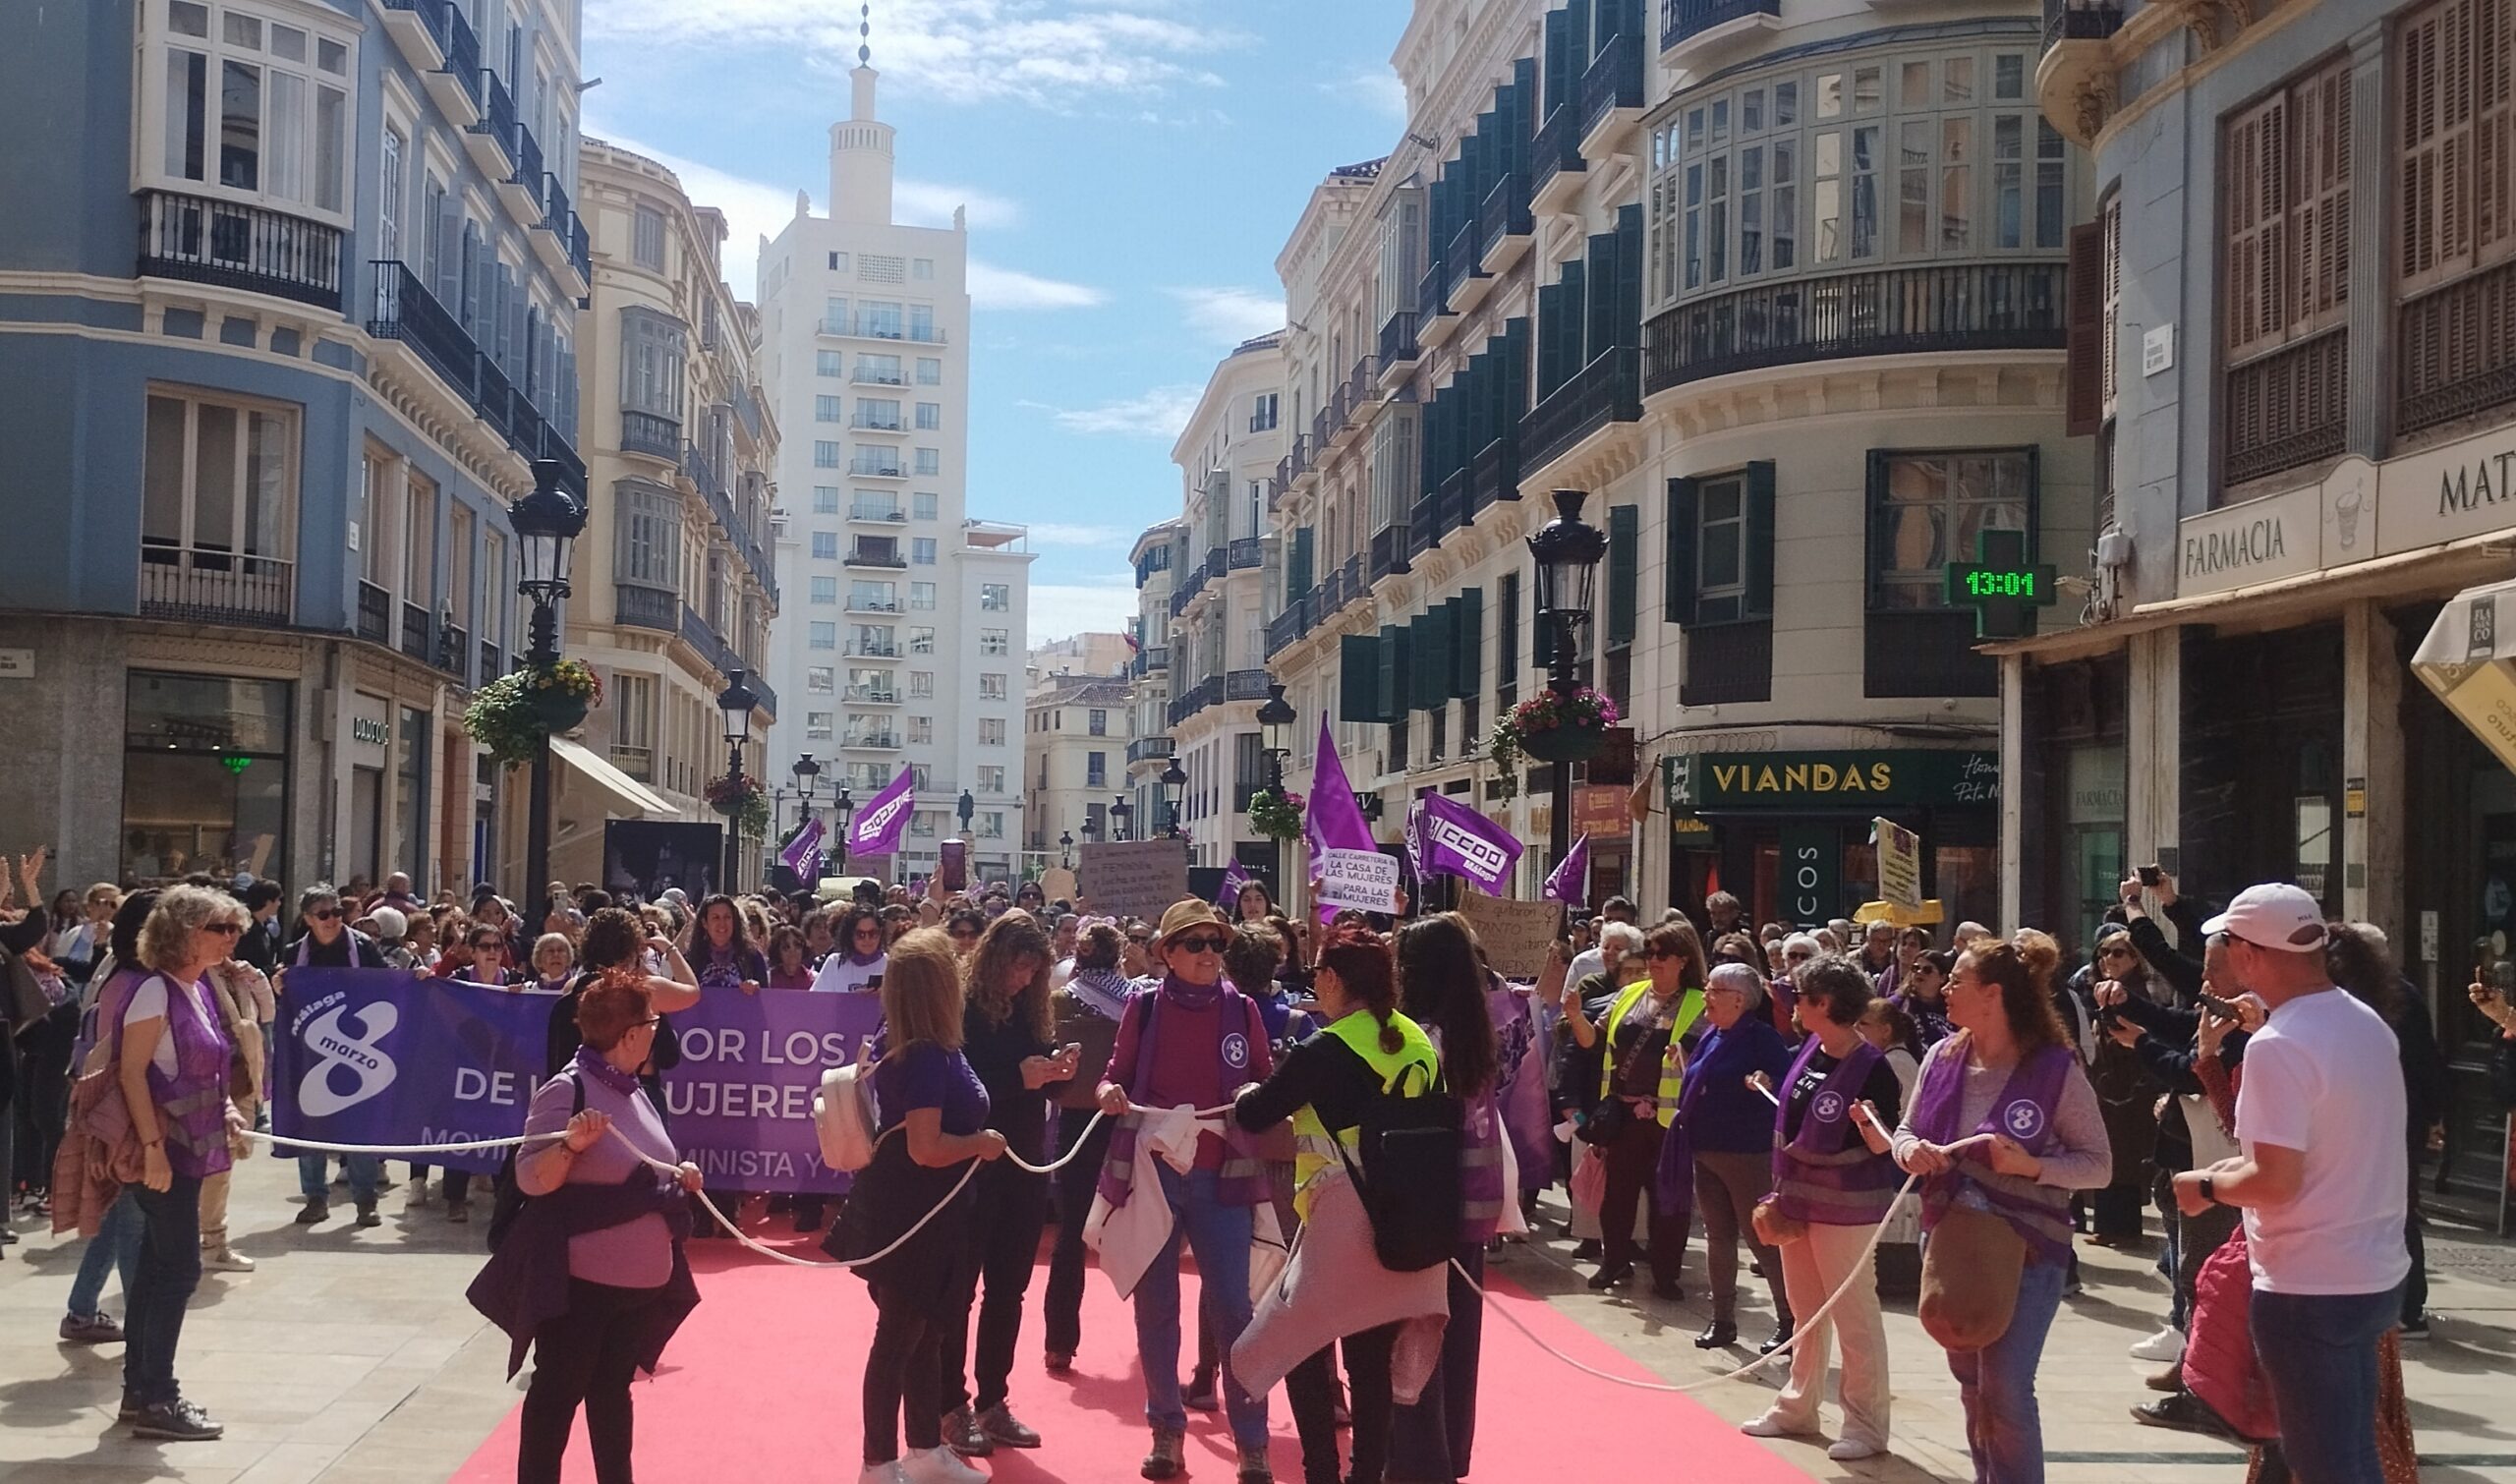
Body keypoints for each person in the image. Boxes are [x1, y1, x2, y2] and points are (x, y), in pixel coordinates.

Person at [2171, 885, 2409, 1484]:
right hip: (2372, 1274)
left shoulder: (2280, 1044)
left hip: (2309, 1284)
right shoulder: (2367, 1024)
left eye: (2229, 944)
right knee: (2352, 1456)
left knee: (2326, 1464)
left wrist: (2206, 1187)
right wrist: (2225, 1175)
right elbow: (2327, 1153)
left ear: (2249, 954)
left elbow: (2275, 1182)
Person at [1894, 941, 2113, 1484]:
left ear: (1993, 994)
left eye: (1957, 982)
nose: (1945, 990)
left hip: (2028, 1252)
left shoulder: (2054, 1068)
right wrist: (1910, 1150)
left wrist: (2030, 1166)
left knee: (2007, 1388)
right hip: (1949, 1244)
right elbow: (1906, 1130)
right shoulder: (1941, 1057)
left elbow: (2099, 1166)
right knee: (1971, 1381)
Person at [1231, 928, 1440, 1484]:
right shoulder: (1417, 1040)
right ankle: (1365, 1475)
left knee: (1300, 1344)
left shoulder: (1325, 1048)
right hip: (1410, 1219)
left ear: (1330, 979)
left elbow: (1256, 1114)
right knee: (1370, 1360)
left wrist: (1242, 1094)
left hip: (1341, 1218)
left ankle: (1320, 1471)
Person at [491, 975, 705, 1484]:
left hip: (637, 1288)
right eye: (653, 1022)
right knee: (556, 1395)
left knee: (611, 1393)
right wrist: (571, 1146)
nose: (657, 1030)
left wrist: (678, 1174)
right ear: (630, 1035)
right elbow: (530, 1177)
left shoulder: (633, 1087)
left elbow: (647, 1162)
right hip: (582, 1287)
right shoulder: (569, 1088)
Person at [1095, 899, 1277, 1483]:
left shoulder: (1242, 1008)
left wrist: (1253, 1094)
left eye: (1216, 943)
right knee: (1156, 1308)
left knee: (1235, 1310)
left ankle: (1252, 1443)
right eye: (1194, 943)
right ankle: (1166, 1431)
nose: (1208, 954)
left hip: (1223, 1176)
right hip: (1153, 1173)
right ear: (1166, 954)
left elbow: (1264, 1079)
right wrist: (1107, 1093)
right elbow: (1115, 1074)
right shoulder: (1144, 1007)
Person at [829, 929, 1003, 1484]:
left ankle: (926, 1450)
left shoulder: (904, 1040)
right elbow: (925, 1148)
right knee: (899, 1340)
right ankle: (878, 1463)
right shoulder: (926, 1054)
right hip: (915, 1213)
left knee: (925, 1335)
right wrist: (980, 1144)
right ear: (938, 985)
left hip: (919, 1209)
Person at [1743, 955, 1906, 1458]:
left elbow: (1884, 1145)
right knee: (1806, 1312)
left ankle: (1866, 1426)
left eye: (1800, 995)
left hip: (1846, 1209)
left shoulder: (1873, 1068)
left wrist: (1868, 1122)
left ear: (1825, 1002)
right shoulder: (1812, 1049)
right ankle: (1797, 1408)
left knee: (1855, 1316)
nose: (1793, 1003)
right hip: (1797, 1202)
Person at [941, 912, 1077, 1455]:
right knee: (959, 1290)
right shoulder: (963, 1007)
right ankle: (950, 1405)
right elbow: (955, 1086)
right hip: (973, 1163)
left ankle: (992, 1400)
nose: (1024, 978)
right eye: (1018, 967)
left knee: (1009, 1288)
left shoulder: (1033, 1006)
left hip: (1023, 1160)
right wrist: (1018, 1078)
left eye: (1033, 970)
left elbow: (1041, 1087)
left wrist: (1057, 1073)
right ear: (995, 960)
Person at [116, 885, 249, 1440]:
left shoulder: (197, 989)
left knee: (155, 1268)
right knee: (179, 1270)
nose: (231, 937)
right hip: (166, 1150)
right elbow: (131, 1073)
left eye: (235, 928)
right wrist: (152, 1149)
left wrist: (227, 1110)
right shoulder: (155, 992)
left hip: (191, 1147)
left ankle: (140, 1391)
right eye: (221, 928)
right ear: (187, 933)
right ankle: (159, 1399)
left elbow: (206, 1068)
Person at [1386, 913, 1503, 1483]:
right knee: (1458, 1339)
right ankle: (1450, 1453)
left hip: (1422, 1210)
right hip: (1472, 1205)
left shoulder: (1417, 1038)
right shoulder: (1477, 1031)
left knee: (1414, 1337)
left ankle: (1418, 1460)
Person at [1556, 919, 1706, 1297]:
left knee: (1668, 1201)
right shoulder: (1629, 994)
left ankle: (1666, 1275)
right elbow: (1592, 1040)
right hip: (1622, 1116)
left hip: (1670, 1122)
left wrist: (1683, 1056)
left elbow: (1705, 1060)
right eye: (1650, 952)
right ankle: (1613, 1262)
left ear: (1684, 960)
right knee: (1617, 1196)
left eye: (1662, 954)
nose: (1653, 960)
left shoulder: (1700, 1003)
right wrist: (1575, 1016)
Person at [2325, 922, 2449, 1339]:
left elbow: (2423, 1060)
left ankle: (2409, 1308)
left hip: (2397, 1116)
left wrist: (2432, 1116)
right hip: (2389, 1114)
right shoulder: (2363, 996)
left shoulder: (2393, 996)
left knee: (2397, 1209)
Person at [1682, 962, 1797, 1354]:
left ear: (1739, 999)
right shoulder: (1711, 1034)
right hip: (1706, 1148)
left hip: (1746, 1153)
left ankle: (1788, 1320)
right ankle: (1722, 1319)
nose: (1707, 996)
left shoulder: (1761, 1037)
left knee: (1761, 1238)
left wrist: (1767, 1080)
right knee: (1718, 1236)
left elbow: (1786, 1084)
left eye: (1715, 990)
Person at [1044, 920, 1133, 1374]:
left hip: (1075, 1125)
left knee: (1071, 1235)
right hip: (1127, 1124)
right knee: (1148, 1233)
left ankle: (1059, 1343)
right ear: (1119, 958)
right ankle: (1153, 1345)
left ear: (1078, 958)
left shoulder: (1058, 1002)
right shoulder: (1138, 1004)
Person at [278, 885, 388, 1226]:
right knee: (310, 1124)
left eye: (337, 912)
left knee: (358, 1127)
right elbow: (284, 1000)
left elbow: (390, 983)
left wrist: (418, 978)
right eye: (324, 914)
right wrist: (278, 986)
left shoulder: (363, 947)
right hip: (309, 1053)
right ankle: (315, 1198)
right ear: (308, 919)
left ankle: (366, 1200)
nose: (332, 920)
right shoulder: (295, 953)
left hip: (358, 1047)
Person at [812, 905, 889, 994]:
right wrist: (851, 999)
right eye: (860, 934)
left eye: (873, 933)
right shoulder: (835, 963)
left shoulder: (891, 965)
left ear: (881, 932)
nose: (867, 939)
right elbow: (816, 999)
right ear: (850, 935)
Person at [1896, 947, 1958, 1048]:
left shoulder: (1952, 1007)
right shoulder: (1897, 1004)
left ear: (1942, 978)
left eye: (1927, 970)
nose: (1919, 972)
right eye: (1916, 968)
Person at [765, 926, 816, 990]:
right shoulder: (768, 979)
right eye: (786, 947)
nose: (792, 950)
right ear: (778, 951)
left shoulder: (815, 979)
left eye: (797, 945)